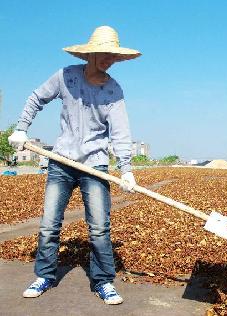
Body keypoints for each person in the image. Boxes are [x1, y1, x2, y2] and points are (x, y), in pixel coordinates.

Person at [8, 26, 141, 305]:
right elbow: (36, 98)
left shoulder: (113, 90)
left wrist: (126, 168)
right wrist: (22, 129)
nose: (108, 59)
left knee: (99, 228)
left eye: (113, 55)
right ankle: (44, 275)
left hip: (95, 165)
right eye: (104, 53)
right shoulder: (65, 76)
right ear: (90, 53)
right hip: (61, 162)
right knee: (48, 224)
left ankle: (103, 281)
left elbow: (120, 133)